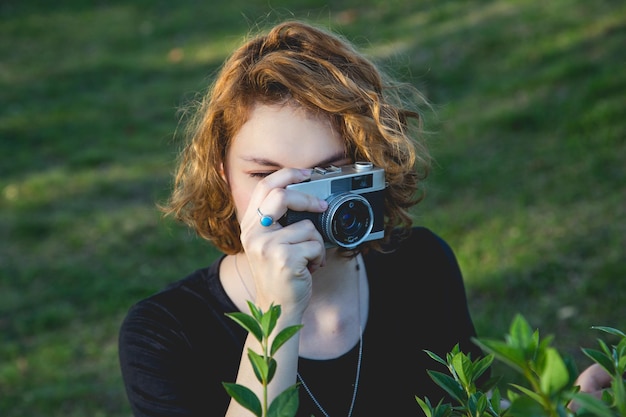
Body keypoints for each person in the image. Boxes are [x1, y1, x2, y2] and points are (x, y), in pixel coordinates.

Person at [118, 20, 488, 417]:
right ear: (221, 173)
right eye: (264, 176)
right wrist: (277, 314)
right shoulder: (165, 334)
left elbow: (474, 406)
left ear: (370, 169)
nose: (295, 202)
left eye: (331, 173)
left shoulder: (421, 265)